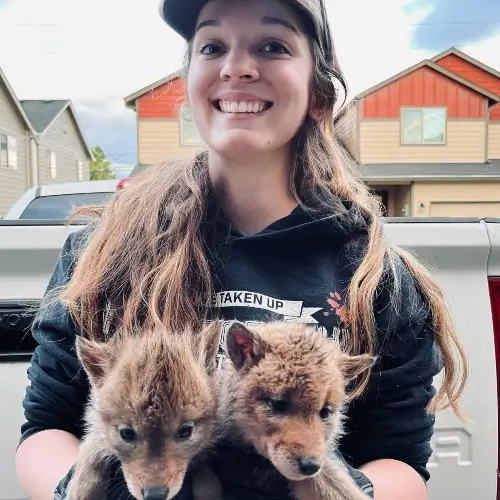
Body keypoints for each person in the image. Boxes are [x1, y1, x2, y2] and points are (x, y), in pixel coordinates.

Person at [15, 0, 469, 499]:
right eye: (212, 46)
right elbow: (45, 425)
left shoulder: (375, 276)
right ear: (191, 87)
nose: (237, 66)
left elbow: (402, 461)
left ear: (319, 95)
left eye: (272, 46)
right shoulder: (101, 254)